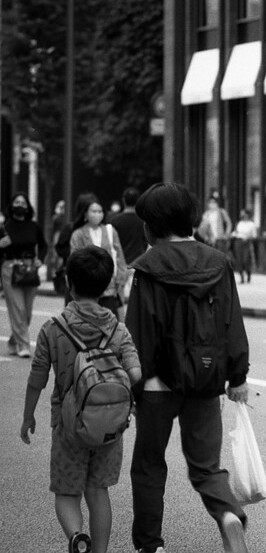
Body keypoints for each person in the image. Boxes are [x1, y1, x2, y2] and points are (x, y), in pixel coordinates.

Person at [126, 182, 250, 553]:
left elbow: (140, 332)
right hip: (205, 380)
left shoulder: (148, 268)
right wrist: (238, 376)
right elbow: (232, 321)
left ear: (152, 225)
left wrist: (134, 386)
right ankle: (228, 514)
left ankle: (151, 545)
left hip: (156, 385)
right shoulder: (218, 262)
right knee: (206, 466)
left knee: (149, 466)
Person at [20, 246, 142, 553]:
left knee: (66, 492)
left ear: (70, 284)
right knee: (98, 490)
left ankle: (77, 537)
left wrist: (28, 416)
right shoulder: (118, 329)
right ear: (105, 286)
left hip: (69, 424)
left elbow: (37, 377)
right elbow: (136, 374)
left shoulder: (53, 327)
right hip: (109, 426)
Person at [1, 192, 48, 357]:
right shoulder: (4, 227)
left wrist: (40, 259)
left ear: (27, 207)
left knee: (27, 312)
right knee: (18, 309)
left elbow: (43, 245)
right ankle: (24, 345)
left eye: (23, 203)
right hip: (10, 268)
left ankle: (14, 341)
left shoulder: (34, 226)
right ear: (12, 206)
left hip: (29, 270)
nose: (20, 205)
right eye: (17, 202)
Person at [69, 195, 129, 319]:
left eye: (100, 211)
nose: (97, 214)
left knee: (110, 323)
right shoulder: (78, 234)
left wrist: (120, 281)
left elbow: (120, 258)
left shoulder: (110, 231)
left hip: (110, 289)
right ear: (85, 214)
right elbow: (74, 261)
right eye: (94, 211)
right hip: (87, 290)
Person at [110, 188, 148, 304]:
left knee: (120, 302)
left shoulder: (114, 221)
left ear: (123, 200)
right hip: (138, 265)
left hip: (120, 267)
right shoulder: (143, 221)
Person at [231, 209, 259, 284]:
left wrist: (248, 237)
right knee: (239, 259)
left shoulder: (251, 224)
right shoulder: (239, 223)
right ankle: (242, 277)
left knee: (246, 260)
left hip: (246, 242)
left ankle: (248, 273)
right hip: (238, 241)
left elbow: (254, 235)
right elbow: (235, 232)